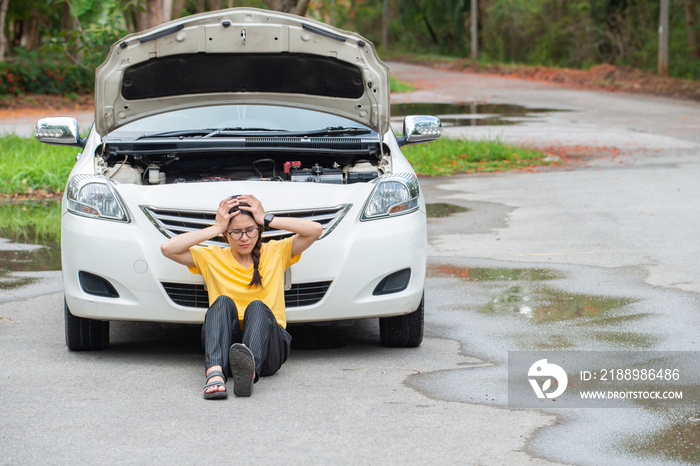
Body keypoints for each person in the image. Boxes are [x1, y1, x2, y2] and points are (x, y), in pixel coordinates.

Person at [160, 194, 323, 399]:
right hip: (227, 349)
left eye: (250, 230)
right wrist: (216, 227)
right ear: (226, 234)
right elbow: (168, 249)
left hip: (270, 347)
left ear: (259, 229)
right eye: (236, 232)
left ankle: (249, 369)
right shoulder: (212, 257)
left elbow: (315, 230)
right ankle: (215, 374)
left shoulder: (275, 251)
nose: (244, 238)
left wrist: (267, 217)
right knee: (222, 303)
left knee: (257, 306)